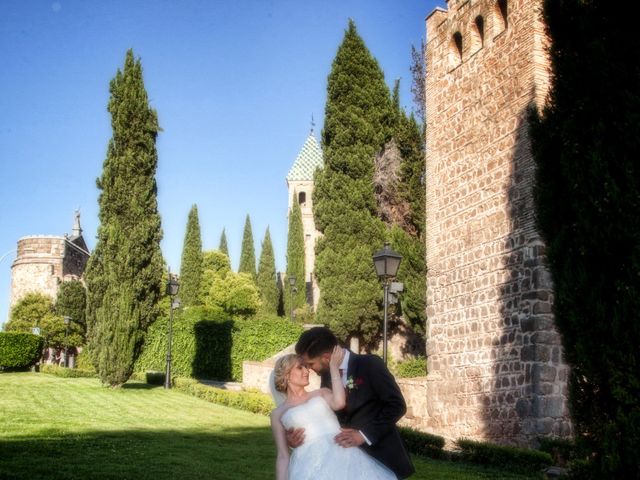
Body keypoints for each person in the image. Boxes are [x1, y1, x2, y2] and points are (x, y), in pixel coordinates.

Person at [289, 327, 415, 479]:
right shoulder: (328, 375)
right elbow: (328, 414)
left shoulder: (370, 364)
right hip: (345, 462)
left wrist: (363, 435)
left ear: (326, 358)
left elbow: (397, 405)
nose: (309, 369)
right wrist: (296, 440)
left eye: (310, 363)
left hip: (380, 454)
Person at [270, 347, 397, 480]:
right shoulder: (277, 414)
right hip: (308, 464)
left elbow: (339, 403)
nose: (307, 371)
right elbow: (283, 456)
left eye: (306, 367)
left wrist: (334, 368)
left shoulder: (322, 393)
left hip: (341, 451)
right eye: (300, 368)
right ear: (286, 374)